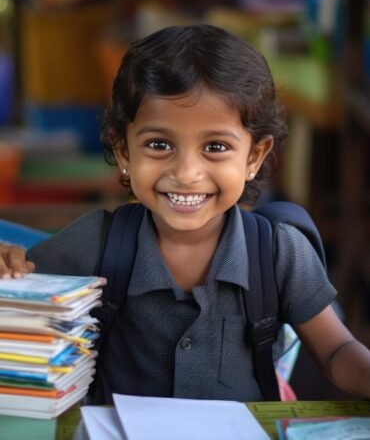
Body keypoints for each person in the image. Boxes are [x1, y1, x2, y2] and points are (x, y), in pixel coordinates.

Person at [1, 24, 370, 403]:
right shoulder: (98, 242)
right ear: (124, 152)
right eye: (159, 145)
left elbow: (336, 350)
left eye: (215, 146)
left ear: (254, 157)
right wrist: (6, 261)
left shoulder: (278, 253)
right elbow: (17, 292)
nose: (186, 173)